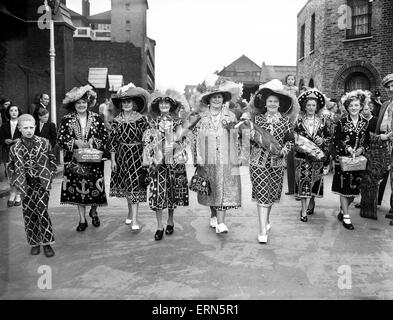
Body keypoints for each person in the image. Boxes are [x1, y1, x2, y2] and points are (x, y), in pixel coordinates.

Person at [243, 79, 299, 243]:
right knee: (262, 195)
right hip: (258, 163)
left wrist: (284, 151)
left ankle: (266, 220)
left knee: (271, 194)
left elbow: (290, 141)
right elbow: (248, 139)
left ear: (279, 104)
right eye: (270, 101)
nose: (273, 104)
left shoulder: (286, 121)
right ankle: (262, 231)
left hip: (277, 163)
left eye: (275, 101)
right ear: (265, 103)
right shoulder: (257, 120)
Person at [192, 78, 242, 235]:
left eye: (219, 97)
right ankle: (213, 214)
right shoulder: (202, 118)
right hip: (207, 158)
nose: (216, 100)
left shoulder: (231, 116)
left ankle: (221, 222)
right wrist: (197, 157)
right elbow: (195, 139)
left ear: (223, 100)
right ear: (209, 100)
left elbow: (236, 137)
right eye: (213, 97)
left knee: (223, 188)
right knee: (211, 187)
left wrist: (238, 156)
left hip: (226, 158)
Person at [57, 85, 109, 231]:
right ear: (74, 104)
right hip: (75, 162)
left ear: (89, 103)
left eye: (84, 102)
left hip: (94, 161)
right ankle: (82, 220)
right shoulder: (66, 119)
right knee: (79, 192)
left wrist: (95, 142)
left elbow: (104, 136)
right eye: (78, 102)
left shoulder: (97, 118)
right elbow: (60, 139)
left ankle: (93, 211)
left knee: (94, 189)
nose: (81, 105)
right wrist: (74, 142)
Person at [7, 114, 57, 257]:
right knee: (29, 214)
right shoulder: (14, 148)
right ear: (20, 128)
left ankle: (47, 243)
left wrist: (50, 176)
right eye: (25, 128)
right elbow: (10, 167)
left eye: (31, 127)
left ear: (35, 127)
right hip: (25, 186)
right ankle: (34, 243)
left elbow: (52, 161)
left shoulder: (44, 143)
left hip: (41, 185)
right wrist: (15, 182)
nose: (29, 130)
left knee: (42, 212)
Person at [143, 93, 190, 240]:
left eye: (167, 103)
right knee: (157, 193)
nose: (164, 105)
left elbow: (185, 139)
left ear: (171, 106)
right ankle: (159, 226)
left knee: (171, 192)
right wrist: (154, 151)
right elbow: (146, 140)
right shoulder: (151, 122)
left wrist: (177, 144)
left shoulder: (178, 122)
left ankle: (170, 220)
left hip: (173, 163)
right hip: (158, 164)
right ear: (157, 106)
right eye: (161, 103)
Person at [109, 84, 150, 230]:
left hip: (137, 155)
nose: (126, 104)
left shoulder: (141, 119)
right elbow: (112, 141)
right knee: (127, 185)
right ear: (120, 104)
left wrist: (146, 157)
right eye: (124, 102)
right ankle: (130, 212)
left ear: (134, 104)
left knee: (134, 185)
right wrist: (113, 160)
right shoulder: (116, 120)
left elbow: (147, 140)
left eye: (129, 101)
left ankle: (134, 220)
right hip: (121, 155)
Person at [332, 90, 370, 230]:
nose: (354, 108)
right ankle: (346, 217)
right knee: (344, 189)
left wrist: (361, 149)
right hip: (343, 160)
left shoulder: (365, 123)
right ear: (347, 107)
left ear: (361, 107)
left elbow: (367, 142)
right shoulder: (341, 122)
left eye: (356, 105)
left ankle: (343, 209)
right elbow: (335, 140)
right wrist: (347, 148)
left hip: (358, 162)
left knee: (354, 192)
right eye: (351, 106)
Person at [294, 89, 330, 222]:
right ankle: (303, 211)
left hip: (317, 157)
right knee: (303, 183)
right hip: (302, 158)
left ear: (317, 107)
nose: (310, 107)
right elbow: (294, 139)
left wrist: (323, 141)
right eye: (308, 105)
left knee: (314, 183)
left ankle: (312, 202)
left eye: (313, 105)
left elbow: (329, 138)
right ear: (304, 106)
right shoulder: (298, 121)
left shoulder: (323, 121)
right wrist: (301, 147)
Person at [374, 73, 393, 217]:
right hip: (383, 143)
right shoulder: (386, 104)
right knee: (380, 173)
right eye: (388, 87)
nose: (391, 89)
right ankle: (374, 201)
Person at [0, 104, 23, 207]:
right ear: (8, 113)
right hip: (7, 152)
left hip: (20, 153)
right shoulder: (4, 125)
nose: (13, 112)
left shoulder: (23, 124)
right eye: (11, 111)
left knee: (18, 174)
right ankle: (12, 194)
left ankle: (18, 195)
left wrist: (21, 139)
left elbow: (30, 136)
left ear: (18, 112)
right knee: (10, 175)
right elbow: (0, 138)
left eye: (15, 110)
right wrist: (5, 140)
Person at [283, 74, 299, 196]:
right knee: (290, 162)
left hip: (298, 138)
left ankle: (298, 190)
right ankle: (291, 189)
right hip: (289, 137)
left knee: (298, 163)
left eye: (292, 79)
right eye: (288, 79)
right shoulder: (285, 115)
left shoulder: (296, 90)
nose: (290, 81)